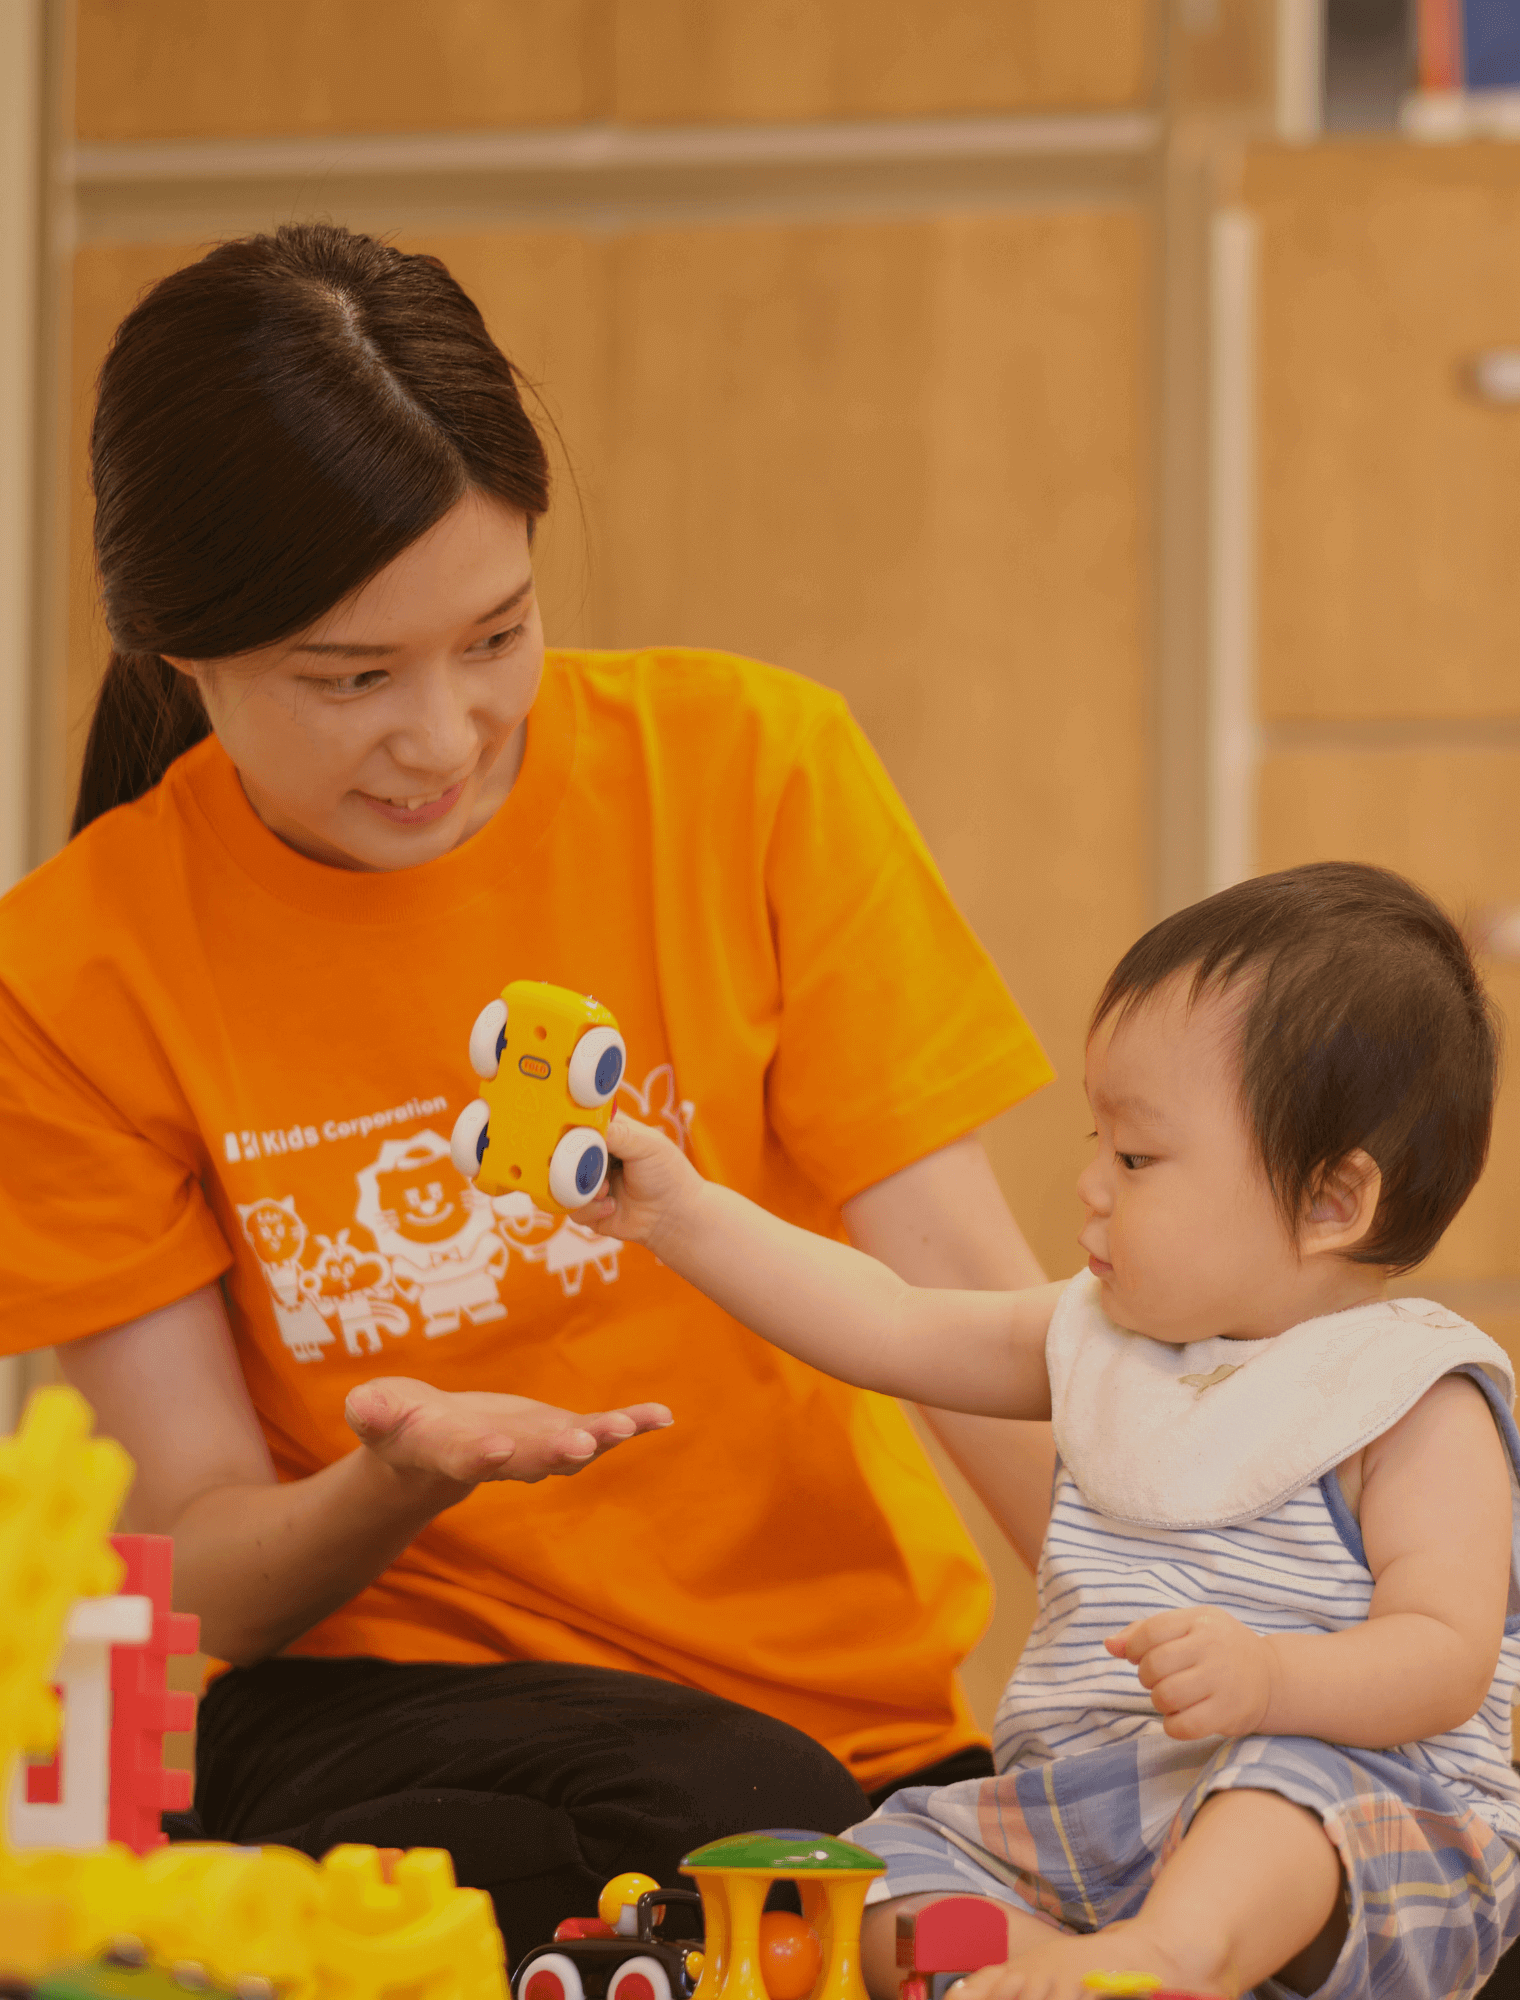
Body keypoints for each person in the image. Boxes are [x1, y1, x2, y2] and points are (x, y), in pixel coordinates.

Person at [0, 223, 1059, 1955]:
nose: (443, 736)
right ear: (180, 653)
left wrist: (1179, 1689)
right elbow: (188, 1585)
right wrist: (396, 1479)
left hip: (825, 1746)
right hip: (360, 1717)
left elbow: (973, 1313)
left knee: (803, 1859)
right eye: (352, 680)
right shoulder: (71, 969)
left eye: (498, 636)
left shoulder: (757, 775)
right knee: (576, 1852)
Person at [585, 861, 1520, 2000]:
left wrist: (1271, 1678)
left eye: (1133, 1157)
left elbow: (1444, 1658)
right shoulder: (1096, 1337)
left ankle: (1166, 1960)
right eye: (1097, 1140)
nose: (1086, 1185)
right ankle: (1047, 1976)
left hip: (1351, 1835)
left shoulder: (1411, 1394)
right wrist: (683, 1215)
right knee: (876, 1878)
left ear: (1330, 1200)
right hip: (1081, 1822)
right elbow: (885, 1320)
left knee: (1279, 1790)